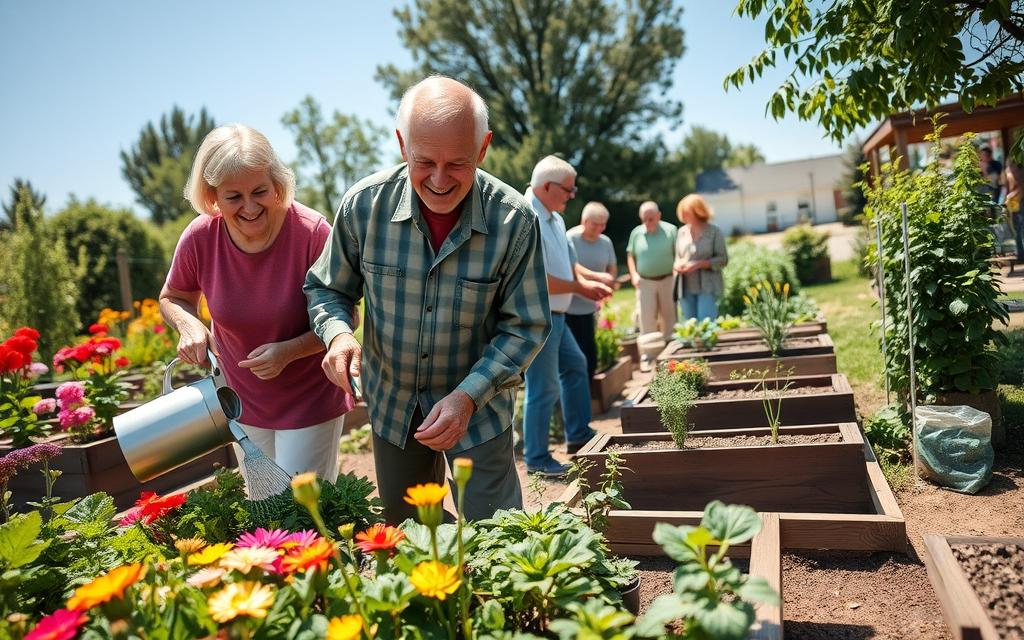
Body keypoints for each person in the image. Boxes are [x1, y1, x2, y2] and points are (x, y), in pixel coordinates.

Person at [305, 76, 550, 522]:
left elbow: (525, 326)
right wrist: (338, 336)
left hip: (479, 411)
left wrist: (468, 397)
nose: (439, 180)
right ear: (402, 144)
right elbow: (328, 288)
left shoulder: (514, 221)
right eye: (424, 162)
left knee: (497, 538)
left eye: (457, 163)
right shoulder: (363, 206)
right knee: (410, 533)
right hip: (394, 404)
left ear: (483, 148)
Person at [160, 124, 352, 483]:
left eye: (260, 192)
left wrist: (289, 352)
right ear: (212, 195)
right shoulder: (201, 237)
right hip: (241, 400)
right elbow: (174, 297)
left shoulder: (312, 233)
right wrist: (190, 326)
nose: (249, 207)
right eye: (233, 197)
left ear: (276, 183)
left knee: (301, 510)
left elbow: (343, 314)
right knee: (265, 509)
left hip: (308, 398)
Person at [521, 157, 611, 474]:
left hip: (557, 315)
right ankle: (536, 458)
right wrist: (581, 288)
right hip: (538, 314)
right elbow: (535, 277)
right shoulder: (525, 215)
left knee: (576, 366)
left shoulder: (555, 218)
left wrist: (593, 282)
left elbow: (569, 266)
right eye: (568, 189)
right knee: (542, 387)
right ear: (547, 186)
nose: (572, 195)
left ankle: (578, 435)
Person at [566, 202, 617, 377]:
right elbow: (573, 267)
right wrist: (598, 277)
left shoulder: (606, 241)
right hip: (569, 307)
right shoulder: (570, 238)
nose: (600, 228)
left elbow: (612, 268)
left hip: (591, 305)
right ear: (584, 221)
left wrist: (608, 281)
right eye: (596, 224)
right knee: (575, 356)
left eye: (603, 224)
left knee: (589, 353)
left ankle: (590, 394)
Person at [626, 201, 677, 342]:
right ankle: (649, 354)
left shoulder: (671, 231)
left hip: (667, 279)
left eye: (651, 219)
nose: (647, 222)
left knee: (669, 317)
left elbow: (677, 254)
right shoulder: (636, 233)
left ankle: (670, 350)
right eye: (644, 219)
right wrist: (634, 274)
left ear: (658, 216)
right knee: (646, 318)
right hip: (645, 281)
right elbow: (630, 255)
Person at [674, 194, 729, 321]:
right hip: (685, 286)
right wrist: (678, 265)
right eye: (682, 212)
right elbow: (677, 257)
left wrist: (698, 264)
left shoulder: (714, 232)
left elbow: (723, 259)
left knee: (706, 323)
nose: (684, 216)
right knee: (690, 324)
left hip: (708, 285)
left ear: (698, 211)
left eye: (687, 212)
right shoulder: (681, 232)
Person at [1005, 162, 1023, 260]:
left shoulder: (1016, 172)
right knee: (1018, 231)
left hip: (1018, 203)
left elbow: (1020, 188)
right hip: (1014, 204)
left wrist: (1009, 196)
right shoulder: (1010, 171)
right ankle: (1021, 255)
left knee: (1019, 231)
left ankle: (1021, 256)